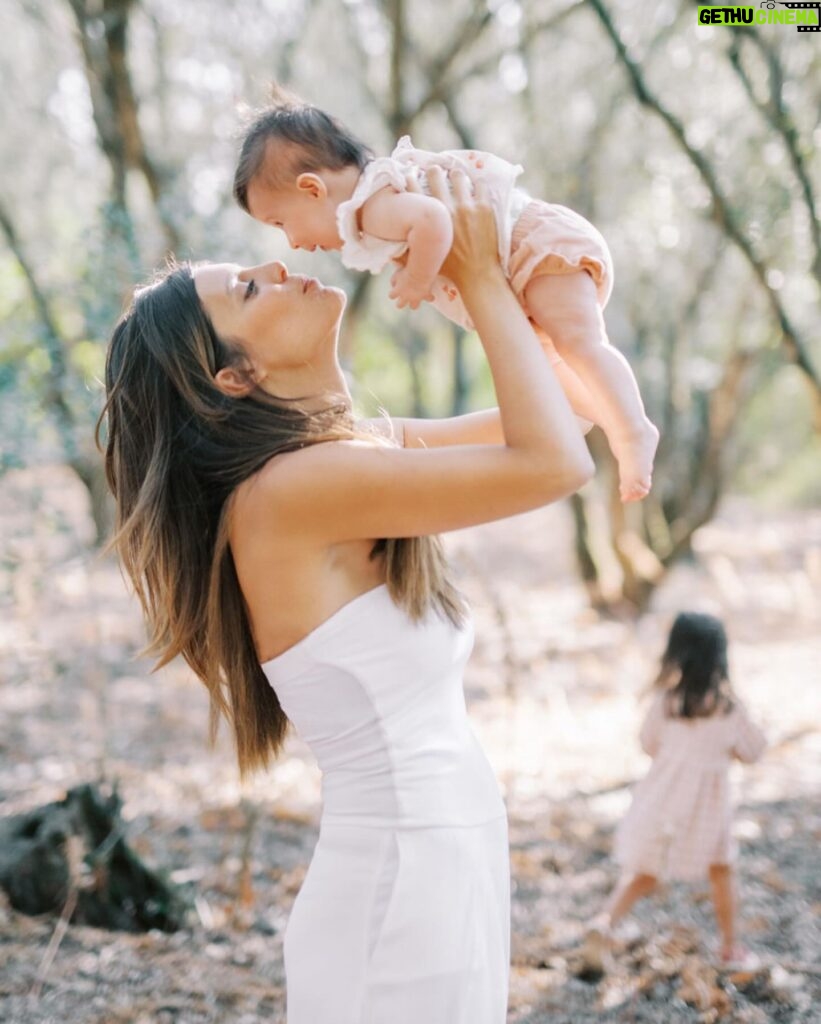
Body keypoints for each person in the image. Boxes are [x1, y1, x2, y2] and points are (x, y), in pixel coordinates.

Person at [96, 167, 594, 1024]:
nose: (280, 269)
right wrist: (473, 275)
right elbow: (555, 465)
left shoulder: (354, 451)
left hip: (445, 857)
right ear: (233, 377)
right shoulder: (294, 489)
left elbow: (575, 410)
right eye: (250, 291)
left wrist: (526, 264)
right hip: (400, 883)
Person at [232, 89, 658, 502]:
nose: (291, 242)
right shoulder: (374, 205)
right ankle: (609, 415)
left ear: (312, 189)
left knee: (580, 343)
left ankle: (633, 428)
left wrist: (418, 278)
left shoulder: (374, 206)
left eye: (281, 223)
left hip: (536, 249)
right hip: (523, 274)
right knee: (556, 367)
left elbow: (434, 220)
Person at [592, 612, 766, 968]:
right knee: (722, 871)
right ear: (720, 657)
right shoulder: (729, 709)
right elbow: (754, 751)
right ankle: (731, 946)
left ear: (676, 655)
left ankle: (603, 922)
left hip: (662, 804)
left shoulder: (666, 703)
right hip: (706, 815)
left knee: (643, 872)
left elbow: (647, 743)